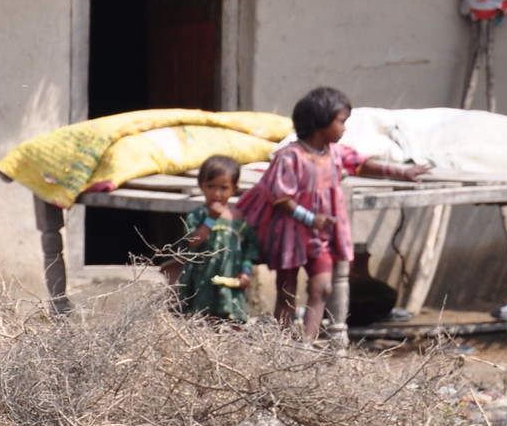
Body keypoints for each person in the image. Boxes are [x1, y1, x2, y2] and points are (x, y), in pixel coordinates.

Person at [239, 87, 428, 341]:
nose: (344, 128)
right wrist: (310, 218)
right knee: (287, 292)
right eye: (341, 121)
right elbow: (281, 198)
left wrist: (401, 172)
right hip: (290, 236)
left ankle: (306, 344)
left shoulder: (334, 154)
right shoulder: (290, 157)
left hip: (321, 236)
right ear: (320, 121)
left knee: (323, 287)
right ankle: (281, 350)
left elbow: (361, 164)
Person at [166, 155, 261, 322]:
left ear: (234, 188)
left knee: (232, 320)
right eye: (211, 186)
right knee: (202, 318)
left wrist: (245, 272)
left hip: (230, 280)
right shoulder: (198, 216)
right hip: (202, 280)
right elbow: (193, 241)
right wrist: (210, 220)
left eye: (223, 188)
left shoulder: (239, 220)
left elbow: (249, 249)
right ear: (201, 186)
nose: (216, 193)